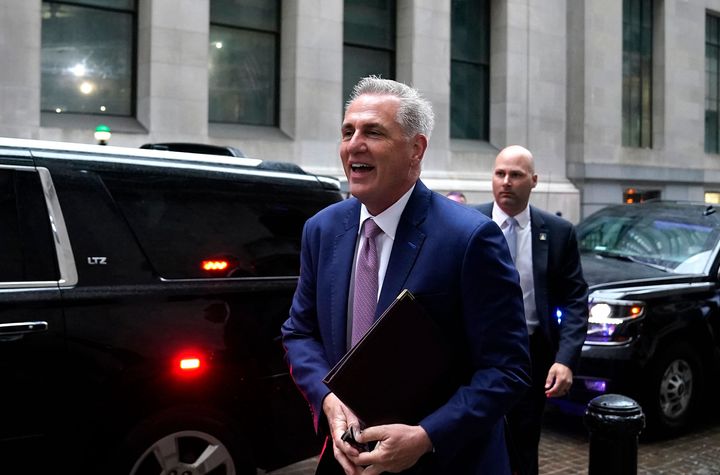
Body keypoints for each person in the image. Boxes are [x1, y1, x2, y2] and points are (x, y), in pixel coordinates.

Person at [281, 77, 531, 475]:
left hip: (446, 463)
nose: (354, 144)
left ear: (416, 149)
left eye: (373, 132)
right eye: (348, 132)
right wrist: (328, 399)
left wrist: (426, 436)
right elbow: (299, 332)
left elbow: (507, 370)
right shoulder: (322, 229)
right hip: (347, 460)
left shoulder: (469, 239)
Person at [476, 145, 589, 475]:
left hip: (531, 355)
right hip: (476, 355)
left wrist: (565, 359)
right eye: (500, 174)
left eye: (516, 175)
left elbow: (575, 298)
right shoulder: (468, 222)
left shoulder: (557, 232)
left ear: (534, 180)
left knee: (523, 446)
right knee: (474, 440)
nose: (506, 182)